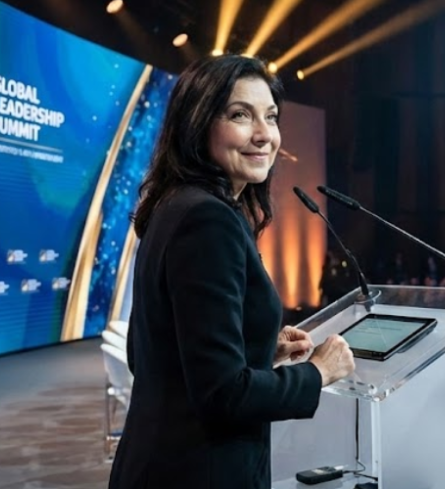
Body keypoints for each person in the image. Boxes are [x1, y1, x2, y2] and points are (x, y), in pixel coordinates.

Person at [108, 55, 356, 489]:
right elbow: (222, 396)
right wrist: (318, 371)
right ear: (198, 124)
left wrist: (258, 350)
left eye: (271, 117)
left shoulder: (175, 204)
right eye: (240, 115)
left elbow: (154, 353)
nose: (264, 135)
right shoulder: (208, 220)